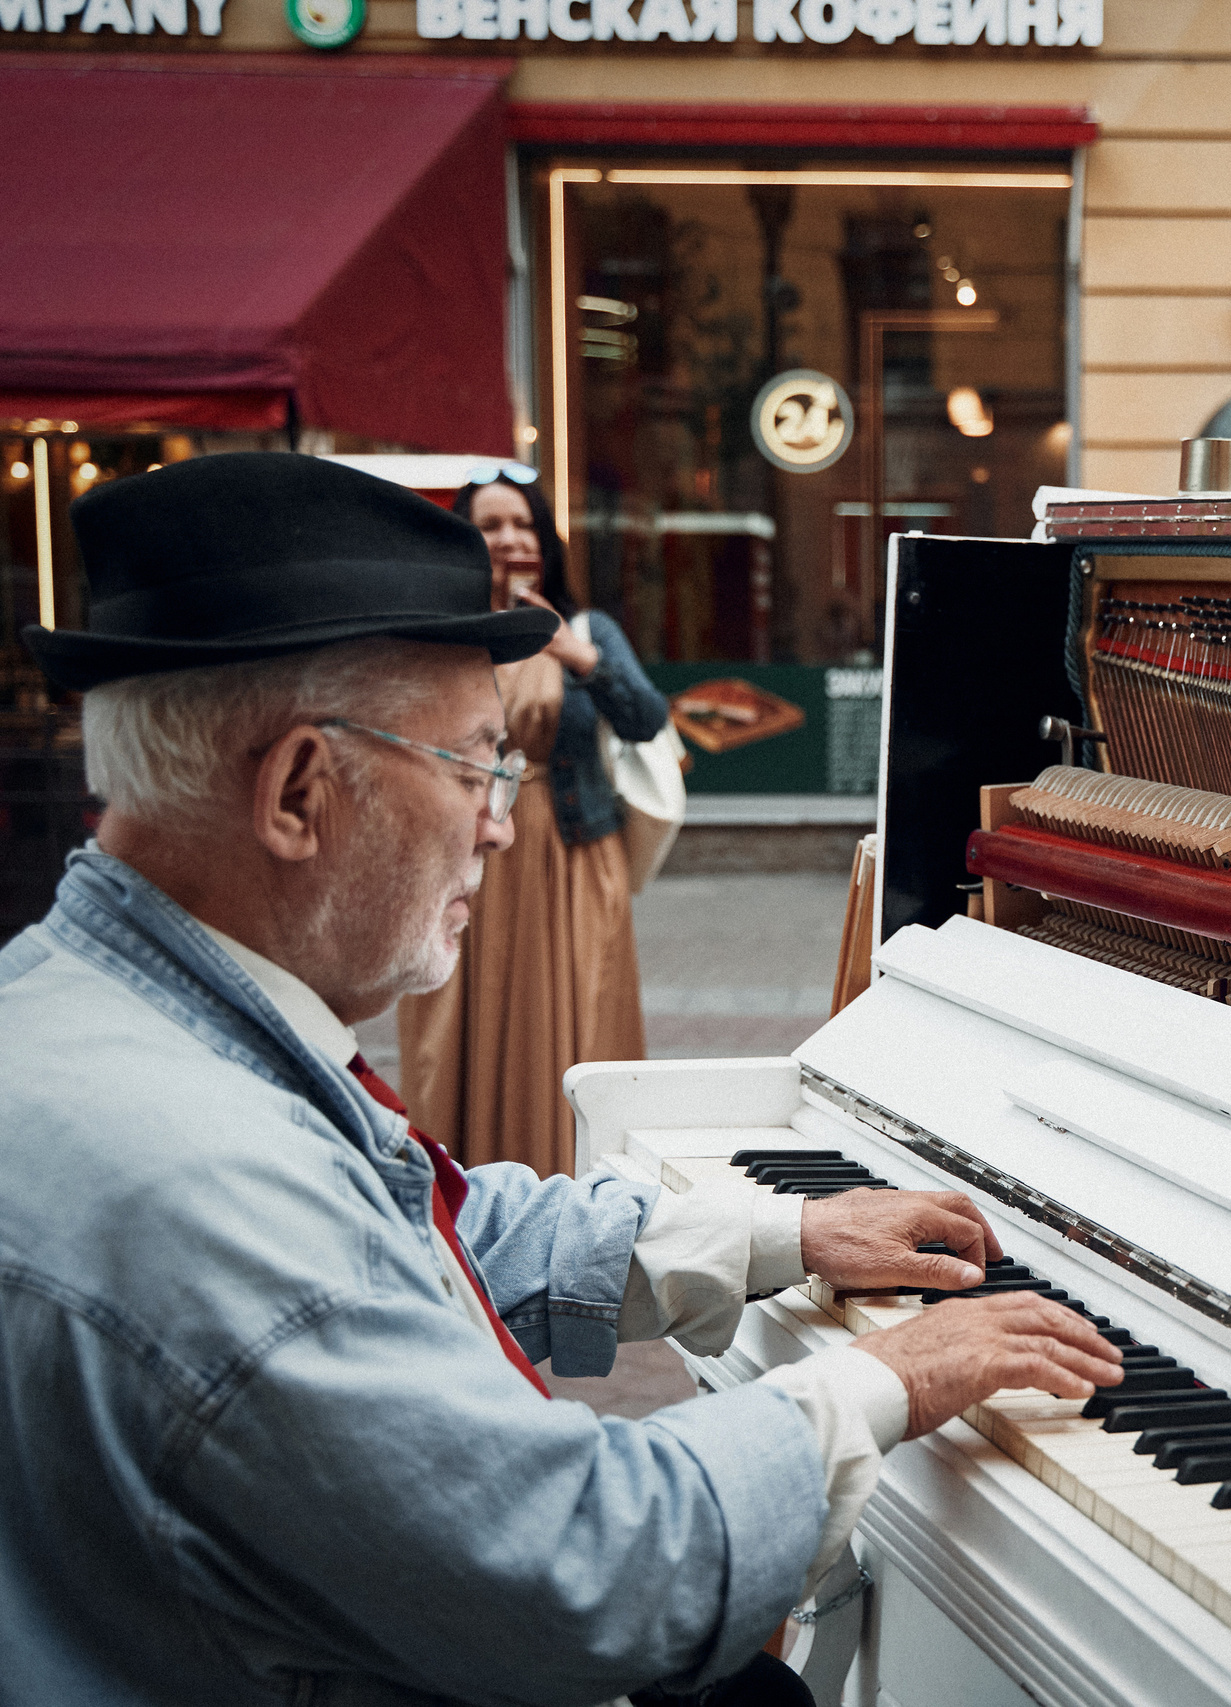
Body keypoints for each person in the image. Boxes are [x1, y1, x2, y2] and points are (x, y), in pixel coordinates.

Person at [0, 453, 1122, 1705]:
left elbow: (424, 1235)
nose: (497, 820)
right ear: (300, 791)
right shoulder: (197, 1186)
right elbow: (598, 1568)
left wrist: (779, 1229)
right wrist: (891, 1375)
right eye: (477, 764)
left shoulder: (83, 1011)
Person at [399, 462, 661, 1175]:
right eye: (490, 525)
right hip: (463, 851)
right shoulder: (440, 632)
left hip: (571, 856)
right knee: (464, 1027)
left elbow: (645, 717)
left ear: (546, 540)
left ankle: (579, 1185)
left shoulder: (584, 626)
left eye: (523, 523)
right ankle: (467, 1185)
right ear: (463, 540)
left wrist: (577, 654)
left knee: (578, 1024)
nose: (510, 538)